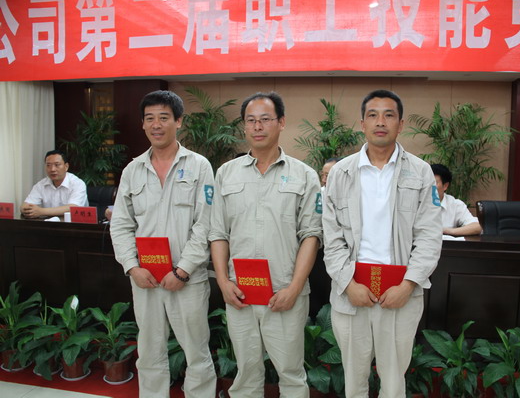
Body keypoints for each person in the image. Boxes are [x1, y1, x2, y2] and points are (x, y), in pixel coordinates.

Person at [322, 89, 442, 398]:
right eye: (373, 115)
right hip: (352, 293)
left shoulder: (421, 172)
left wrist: (408, 285)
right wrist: (348, 283)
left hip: (399, 294)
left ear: (400, 124)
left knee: (393, 382)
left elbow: (429, 236)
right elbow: (331, 237)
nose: (380, 122)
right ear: (362, 124)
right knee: (354, 381)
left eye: (389, 115)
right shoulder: (341, 173)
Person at [209, 91, 322, 397]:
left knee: (291, 373)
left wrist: (294, 288)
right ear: (244, 126)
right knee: (246, 372)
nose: (257, 127)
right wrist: (223, 282)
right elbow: (217, 232)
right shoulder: (226, 174)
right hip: (240, 293)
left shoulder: (304, 175)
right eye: (250, 120)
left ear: (281, 123)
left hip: (284, 292)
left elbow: (311, 235)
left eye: (265, 119)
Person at [110, 90, 216, 398]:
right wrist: (132, 267)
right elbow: (121, 224)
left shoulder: (199, 166)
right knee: (149, 351)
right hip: (145, 279)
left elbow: (206, 224)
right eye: (150, 119)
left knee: (196, 351)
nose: (156, 125)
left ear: (178, 122)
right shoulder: (132, 170)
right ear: (143, 124)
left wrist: (183, 270)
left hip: (187, 280)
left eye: (164, 118)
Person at [20, 149, 88, 218]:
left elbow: (73, 208)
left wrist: (41, 211)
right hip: (49, 223)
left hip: (75, 223)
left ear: (66, 166)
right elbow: (25, 206)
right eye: (48, 165)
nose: (52, 169)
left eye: (57, 165)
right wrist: (26, 210)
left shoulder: (78, 184)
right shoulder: (41, 185)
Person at [431, 164, 482, 236]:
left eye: (433, 183)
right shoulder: (416, 201)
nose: (428, 186)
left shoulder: (455, 205)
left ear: (445, 186)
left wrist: (447, 231)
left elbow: (477, 227)